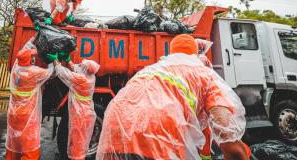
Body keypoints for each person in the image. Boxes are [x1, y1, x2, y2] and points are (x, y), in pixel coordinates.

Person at [97, 34, 249, 160]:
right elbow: (230, 142)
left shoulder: (151, 70)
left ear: (172, 52)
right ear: (195, 53)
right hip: (156, 134)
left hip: (114, 129)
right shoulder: (204, 75)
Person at [5, 41, 58, 160]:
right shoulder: (34, 72)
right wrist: (53, 59)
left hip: (13, 114)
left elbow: (22, 53)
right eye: (32, 57)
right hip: (28, 115)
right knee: (29, 144)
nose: (34, 58)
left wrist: (33, 39)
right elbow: (53, 72)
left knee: (14, 142)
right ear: (30, 60)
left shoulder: (15, 70)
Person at [54, 58, 100, 160]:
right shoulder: (90, 77)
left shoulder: (81, 79)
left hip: (80, 114)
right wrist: (68, 60)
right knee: (81, 141)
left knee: (77, 142)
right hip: (86, 113)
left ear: (85, 70)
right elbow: (76, 69)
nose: (79, 66)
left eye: (82, 66)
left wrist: (55, 60)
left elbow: (62, 73)